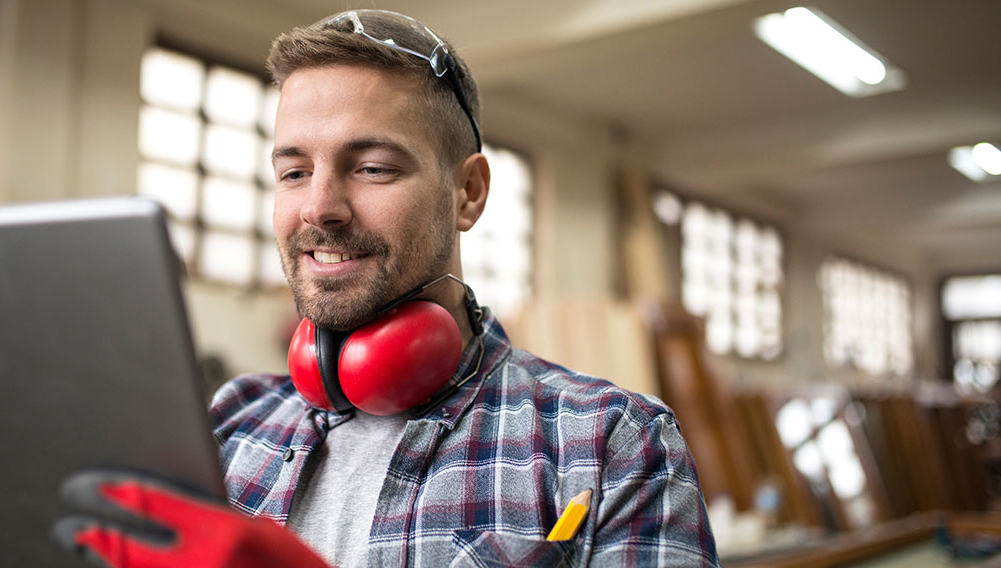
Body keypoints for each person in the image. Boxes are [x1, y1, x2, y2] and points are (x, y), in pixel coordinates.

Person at [54, 9, 719, 567]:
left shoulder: (611, 447)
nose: (320, 207)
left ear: (469, 192)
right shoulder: (230, 424)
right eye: (292, 172)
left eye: (371, 167)